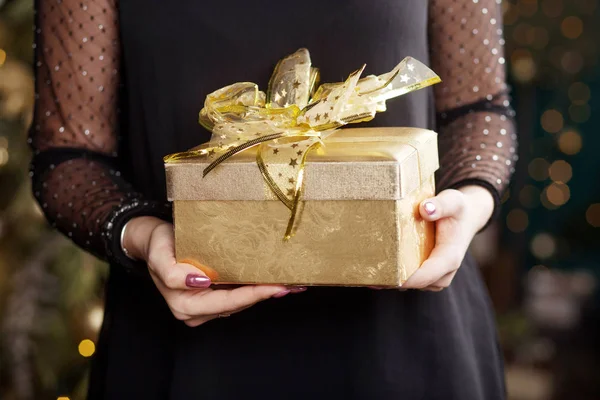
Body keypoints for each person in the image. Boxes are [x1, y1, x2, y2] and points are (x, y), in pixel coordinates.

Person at [30, 0, 517, 398]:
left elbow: (479, 108)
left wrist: (469, 204)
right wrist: (143, 235)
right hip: (182, 350)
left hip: (407, 341)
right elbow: (69, 156)